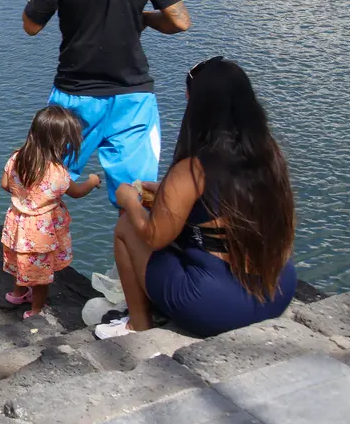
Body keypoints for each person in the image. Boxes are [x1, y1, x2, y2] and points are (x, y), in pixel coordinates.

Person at [94, 57, 297, 339]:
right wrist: (166, 191)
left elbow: (155, 237)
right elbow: (220, 205)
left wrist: (129, 199)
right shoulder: (268, 156)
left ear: (198, 106)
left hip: (217, 306)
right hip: (277, 290)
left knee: (128, 226)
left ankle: (138, 325)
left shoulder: (193, 169)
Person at [23, 0, 191, 205]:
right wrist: (143, 18)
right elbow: (180, 21)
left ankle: (35, 251)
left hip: (75, 97)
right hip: (133, 99)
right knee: (139, 199)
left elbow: (31, 26)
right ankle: (136, 253)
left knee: (43, 187)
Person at [1, 106, 102, 319]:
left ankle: (17, 294)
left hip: (17, 222)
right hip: (41, 231)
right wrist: (92, 182)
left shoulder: (17, 158)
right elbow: (76, 193)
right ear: (61, 143)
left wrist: (23, 194)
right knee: (40, 273)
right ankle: (36, 309)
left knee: (21, 260)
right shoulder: (58, 173)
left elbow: (4, 184)